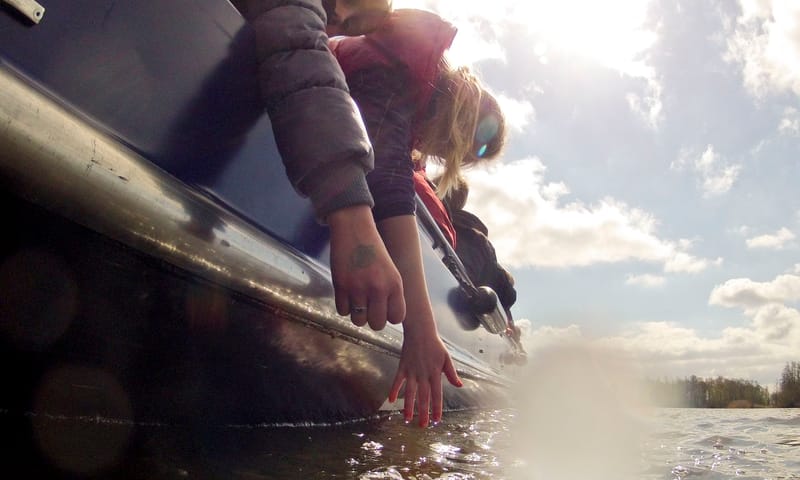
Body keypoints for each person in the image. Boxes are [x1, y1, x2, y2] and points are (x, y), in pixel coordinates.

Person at [329, 7, 506, 426]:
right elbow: (387, 181)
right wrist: (421, 331)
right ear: (457, 129)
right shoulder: (396, 73)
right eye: (452, 150)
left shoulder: (405, 78)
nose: (438, 154)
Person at [441, 177, 521, 342]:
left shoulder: (413, 213)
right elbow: (504, 290)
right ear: (463, 201)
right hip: (459, 319)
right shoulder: (478, 241)